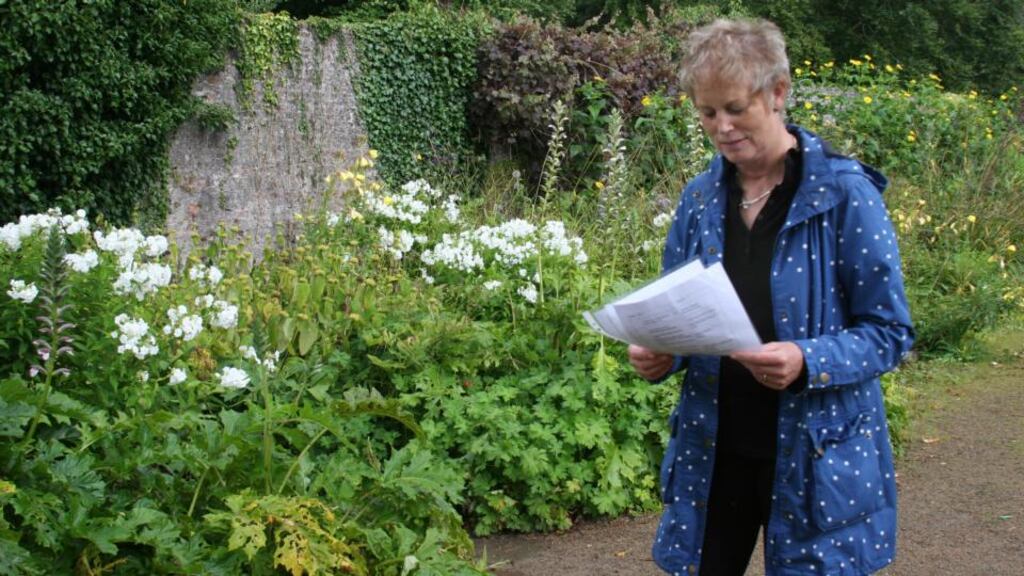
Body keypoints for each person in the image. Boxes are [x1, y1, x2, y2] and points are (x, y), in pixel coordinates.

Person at [628, 18, 914, 576]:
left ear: (778, 92)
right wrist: (661, 351)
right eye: (708, 112)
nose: (722, 127)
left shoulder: (845, 195)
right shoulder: (700, 198)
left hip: (815, 456)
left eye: (735, 108)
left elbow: (891, 332)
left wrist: (809, 359)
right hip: (713, 452)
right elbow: (678, 307)